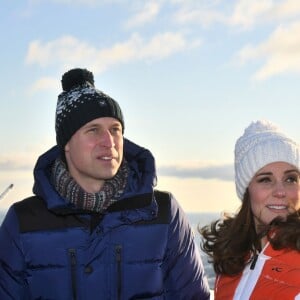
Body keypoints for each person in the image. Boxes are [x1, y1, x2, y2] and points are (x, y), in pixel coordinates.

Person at [0, 68, 210, 300]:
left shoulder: (162, 212)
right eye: (93, 130)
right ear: (67, 143)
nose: (109, 141)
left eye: (115, 130)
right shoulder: (23, 222)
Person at [200, 120, 300, 299]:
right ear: (247, 190)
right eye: (265, 179)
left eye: (290, 179)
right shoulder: (231, 257)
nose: (280, 191)